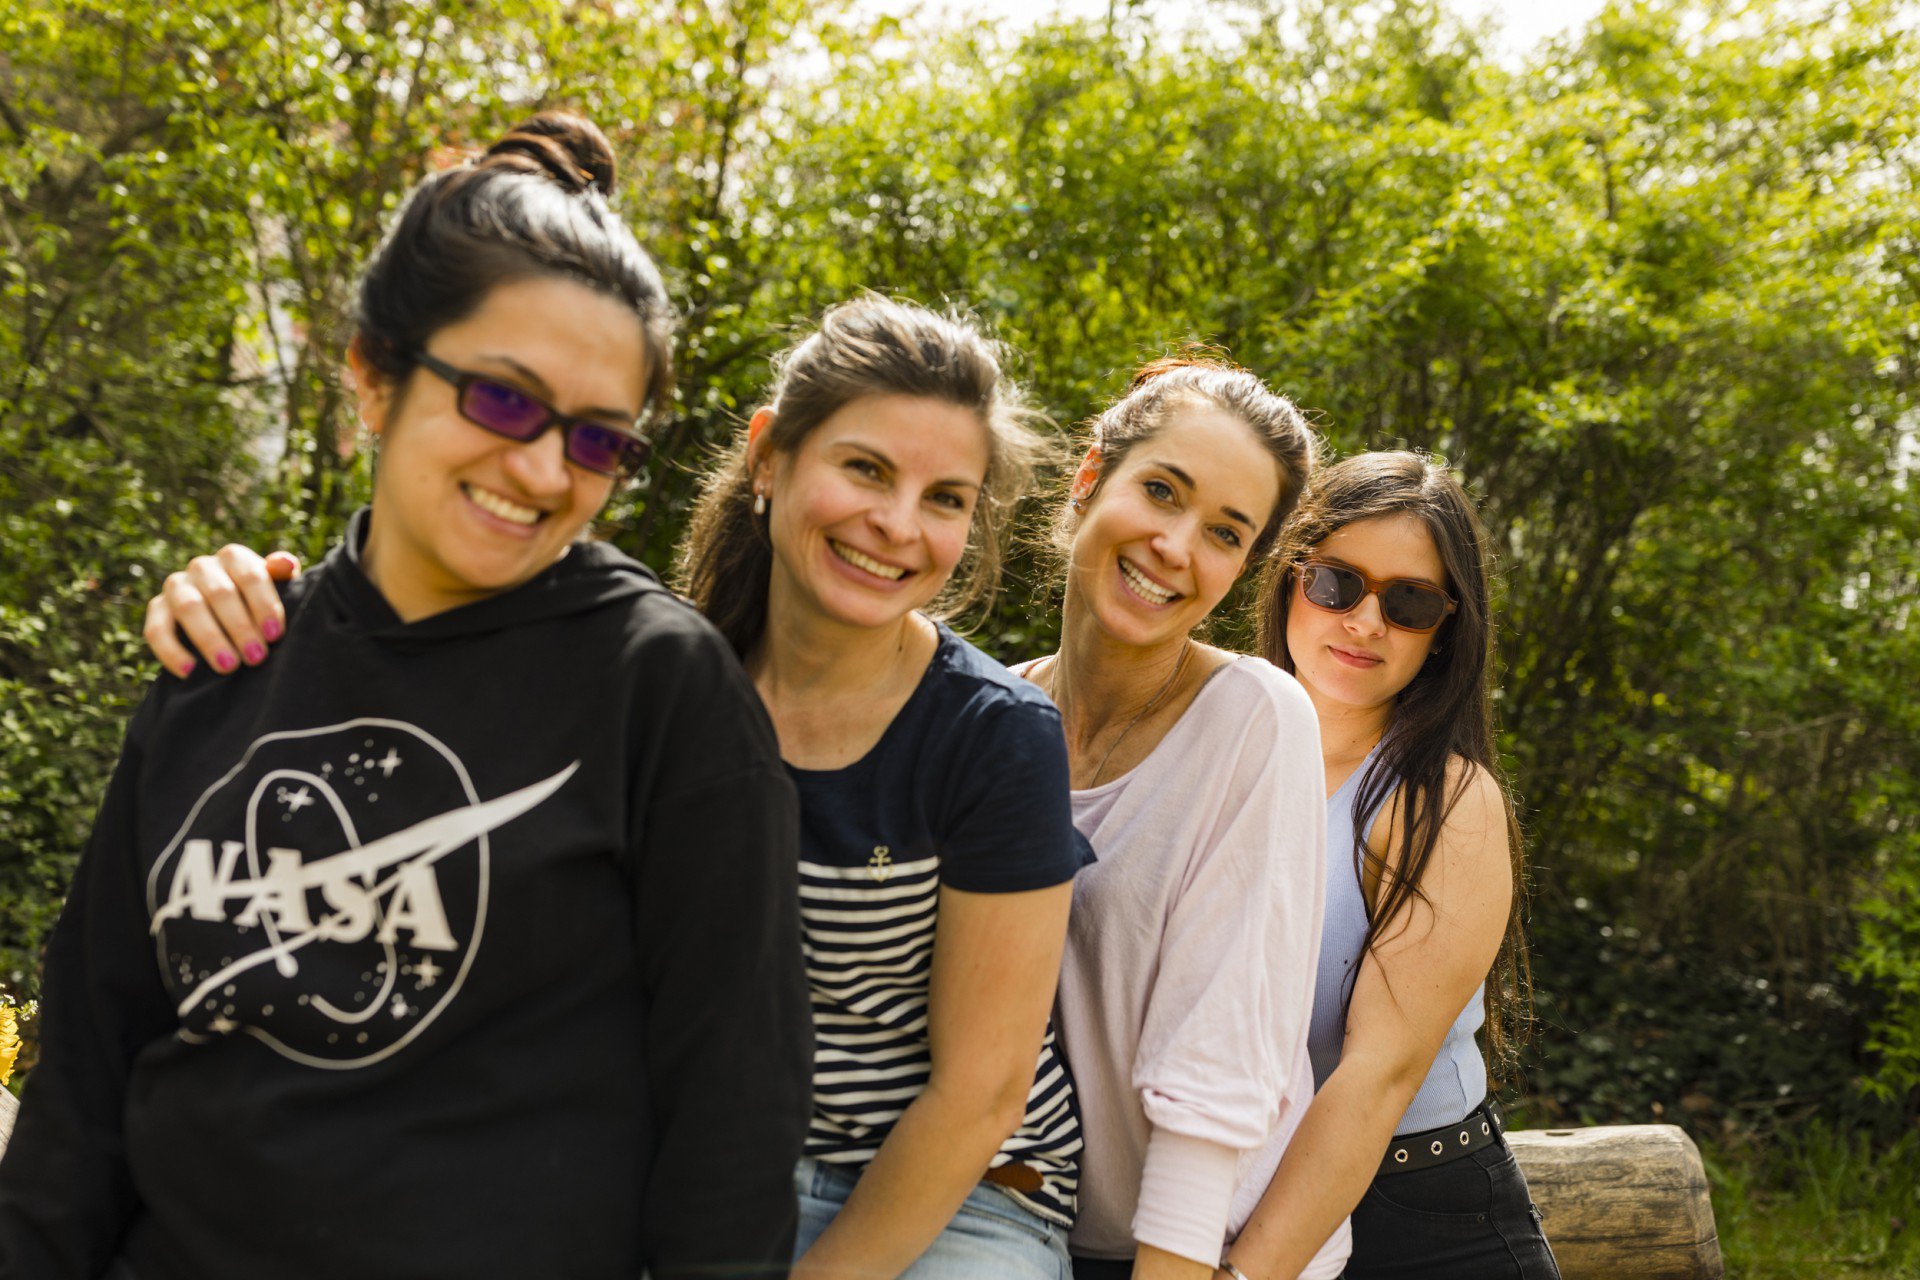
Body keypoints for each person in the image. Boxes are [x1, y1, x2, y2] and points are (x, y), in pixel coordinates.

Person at [126, 296, 1091, 1279]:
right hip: (690, 1174)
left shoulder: (994, 737)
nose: (897, 524)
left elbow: (979, 1094)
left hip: (952, 1203)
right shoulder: (651, 682)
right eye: (867, 468)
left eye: (946, 497)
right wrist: (247, 601)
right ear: (769, 457)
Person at [0, 113, 813, 1280]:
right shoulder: (229, 660)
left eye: (597, 440)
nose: (542, 469)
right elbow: (81, 1086)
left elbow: (733, 1137)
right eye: (500, 399)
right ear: (373, 379)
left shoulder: (662, 691)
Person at [1014, 357, 1349, 1280]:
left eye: (1225, 533)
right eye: (1161, 490)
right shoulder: (996, 717)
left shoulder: (1257, 720)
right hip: (1031, 1236)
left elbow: (1222, 1063)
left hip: (1208, 1254)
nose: (1174, 544)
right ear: (1090, 479)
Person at [1216, 451, 1557, 1280]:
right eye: (1337, 582)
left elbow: (1376, 1078)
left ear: (1445, 633)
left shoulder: (1446, 801)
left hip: (1419, 1222)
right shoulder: (1210, 749)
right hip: (1222, 1193)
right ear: (1289, 579)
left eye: (1409, 602)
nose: (1365, 621)